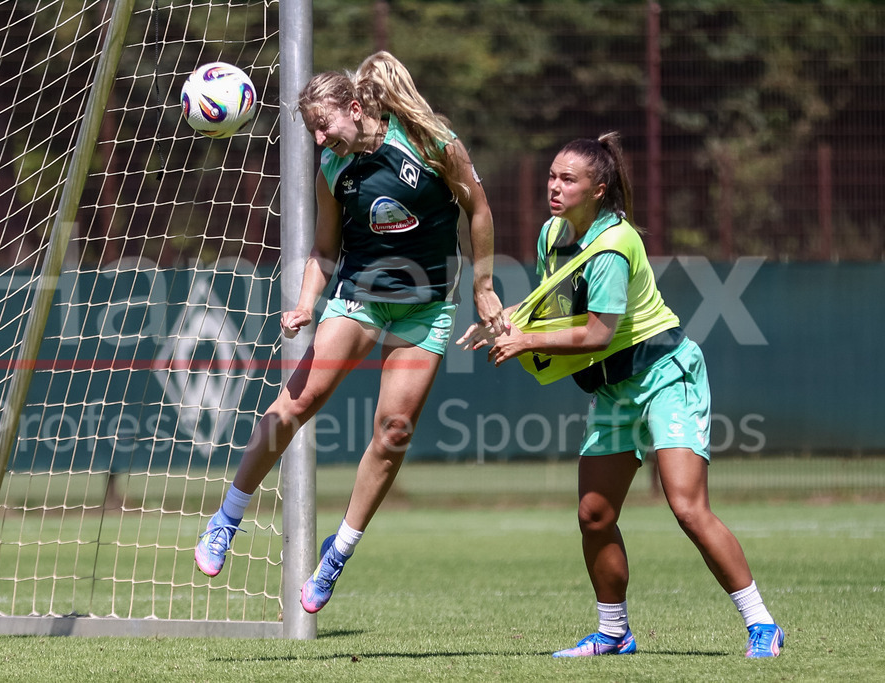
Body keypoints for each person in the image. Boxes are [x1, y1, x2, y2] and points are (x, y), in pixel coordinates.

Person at [194, 51, 508, 614]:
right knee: (298, 401)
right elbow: (324, 249)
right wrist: (305, 305)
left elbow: (478, 210)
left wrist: (484, 288)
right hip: (359, 297)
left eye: (324, 125)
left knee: (393, 431)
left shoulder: (431, 142)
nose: (319, 138)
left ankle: (336, 555)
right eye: (312, 129)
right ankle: (226, 518)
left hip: (427, 308)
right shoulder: (333, 170)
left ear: (356, 107)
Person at [457, 132, 783, 658]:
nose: (554, 187)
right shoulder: (553, 235)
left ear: (599, 188)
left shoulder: (614, 244)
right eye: (551, 176)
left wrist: (527, 341)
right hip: (614, 388)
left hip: (665, 373)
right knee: (594, 514)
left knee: (686, 506)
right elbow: (559, 311)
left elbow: (596, 334)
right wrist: (502, 322)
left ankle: (762, 624)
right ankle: (614, 633)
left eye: (568, 179)